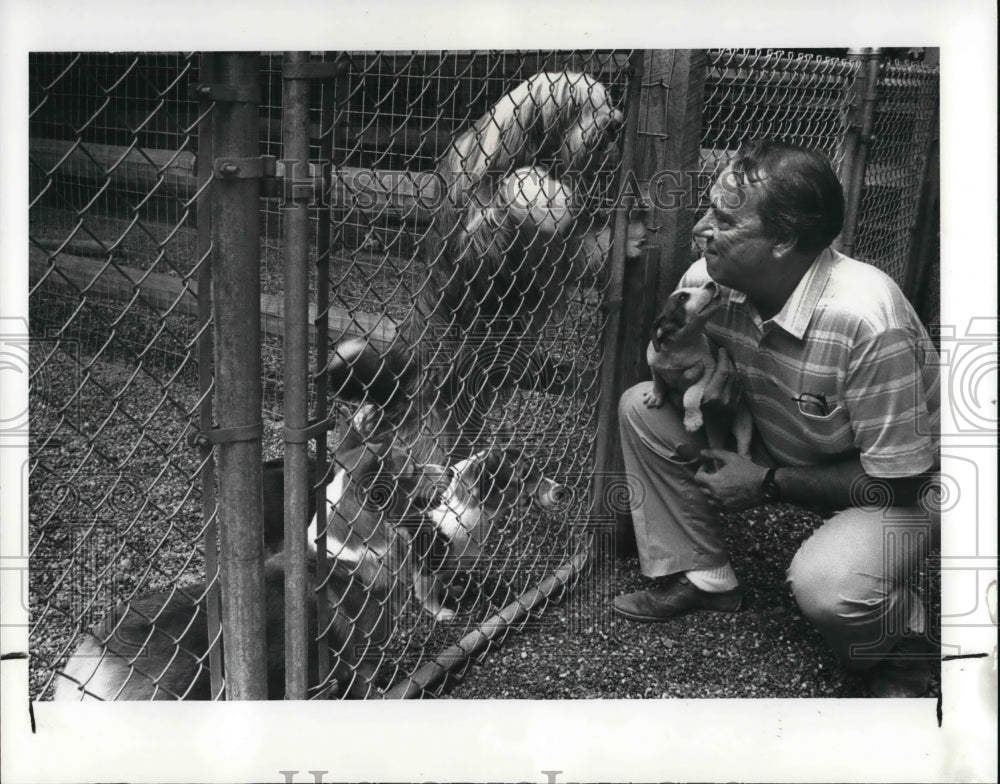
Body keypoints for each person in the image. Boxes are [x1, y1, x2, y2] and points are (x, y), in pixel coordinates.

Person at [614, 140, 940, 697]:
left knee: (830, 587)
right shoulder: (710, 280)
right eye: (707, 210)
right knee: (642, 408)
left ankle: (901, 642)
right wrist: (712, 379)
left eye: (723, 219)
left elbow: (903, 478)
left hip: (910, 480)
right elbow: (672, 352)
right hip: (786, 439)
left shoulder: (865, 318)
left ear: (785, 241)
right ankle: (705, 576)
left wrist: (765, 484)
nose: (700, 228)